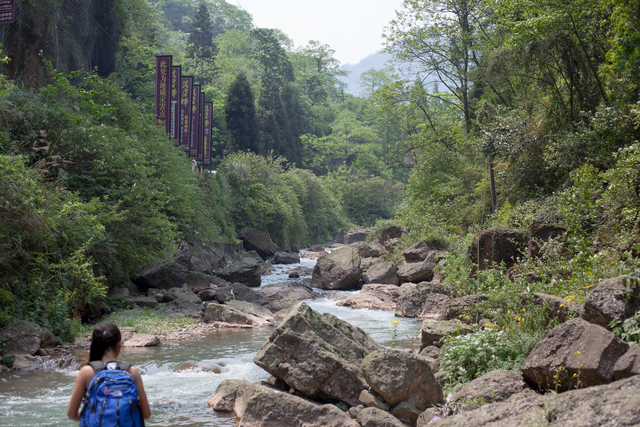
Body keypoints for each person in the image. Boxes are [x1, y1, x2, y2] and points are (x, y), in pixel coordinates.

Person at [67, 323, 151, 423]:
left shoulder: (87, 372)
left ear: (96, 345)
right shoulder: (132, 371)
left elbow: (72, 414)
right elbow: (146, 414)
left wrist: (92, 418)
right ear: (119, 345)